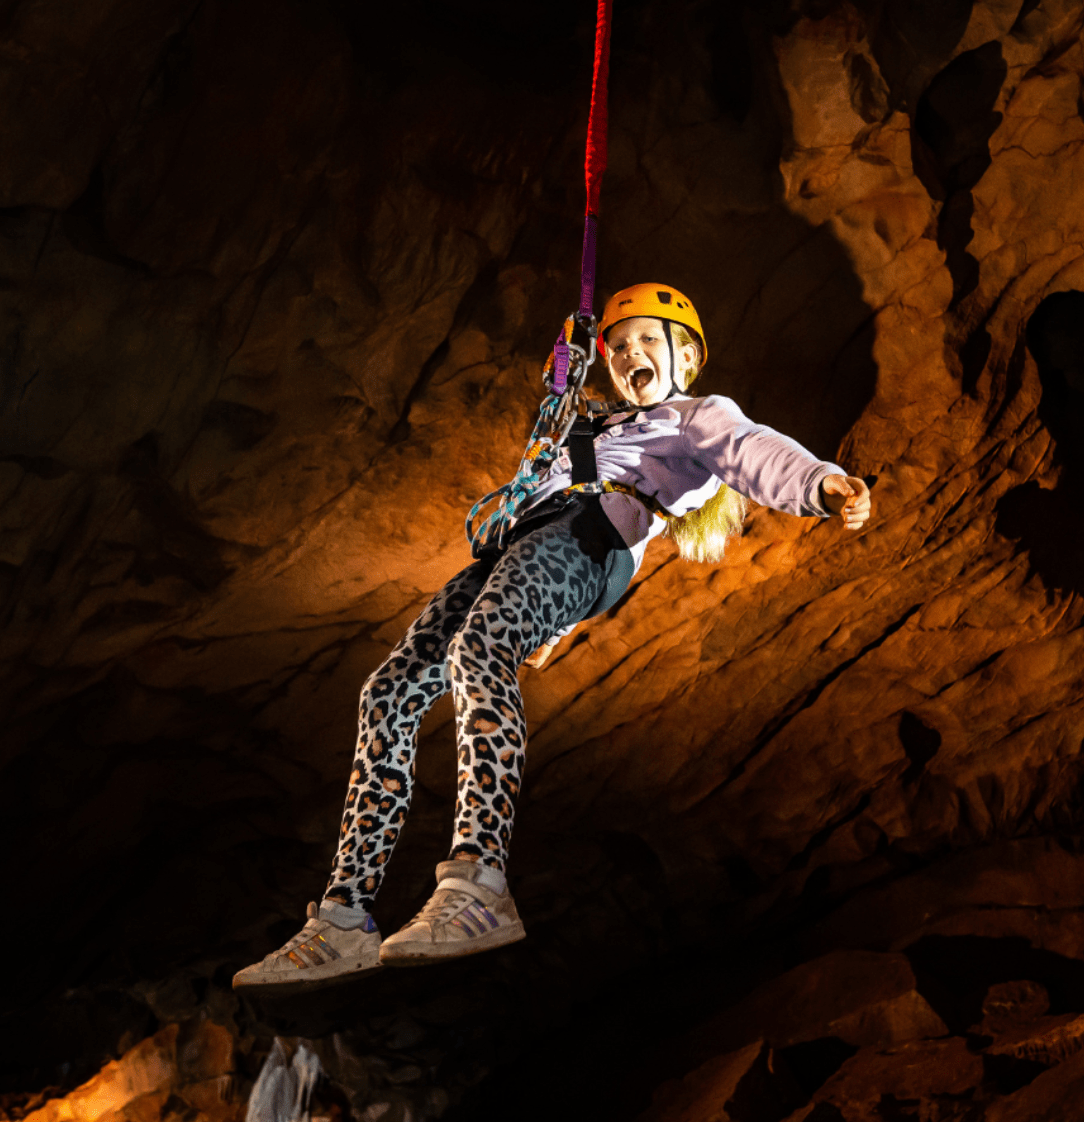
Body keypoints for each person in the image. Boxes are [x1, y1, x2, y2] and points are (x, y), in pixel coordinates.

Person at [233, 283, 872, 993]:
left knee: (478, 651)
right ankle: (343, 917)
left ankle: (479, 881)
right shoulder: (588, 422)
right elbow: (555, 427)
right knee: (389, 689)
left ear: (684, 354)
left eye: (645, 342)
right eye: (618, 346)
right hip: (521, 546)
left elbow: (754, 451)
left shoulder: (694, 417)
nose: (629, 354)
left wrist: (823, 483)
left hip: (590, 540)